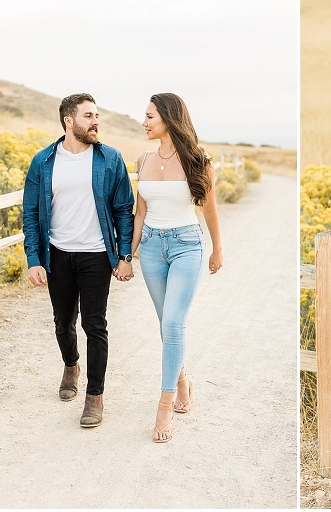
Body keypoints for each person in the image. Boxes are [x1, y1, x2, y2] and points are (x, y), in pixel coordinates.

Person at [22, 93, 135, 428]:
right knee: (62, 321)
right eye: (88, 116)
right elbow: (30, 214)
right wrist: (33, 258)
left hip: (97, 254)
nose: (95, 121)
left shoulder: (110, 159)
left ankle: (95, 396)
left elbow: (123, 210)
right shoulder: (43, 161)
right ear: (69, 121)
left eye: (97, 115)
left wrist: (125, 255)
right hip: (57, 254)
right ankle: (71, 365)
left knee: (94, 325)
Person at [130, 93, 223, 443]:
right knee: (165, 324)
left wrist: (218, 249)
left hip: (187, 246)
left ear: (168, 118)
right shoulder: (143, 159)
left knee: (172, 322)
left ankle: (165, 404)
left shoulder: (199, 160)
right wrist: (128, 255)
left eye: (150, 116)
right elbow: (139, 214)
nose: (144, 122)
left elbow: (209, 209)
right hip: (152, 248)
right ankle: (183, 381)